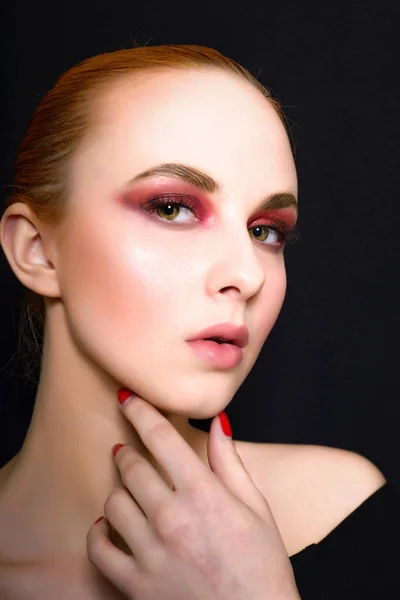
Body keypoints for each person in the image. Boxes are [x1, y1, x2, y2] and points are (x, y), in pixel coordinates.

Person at [0, 44, 398, 600]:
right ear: (38, 251)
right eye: (172, 208)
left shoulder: (347, 508)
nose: (247, 274)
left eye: (265, 231)